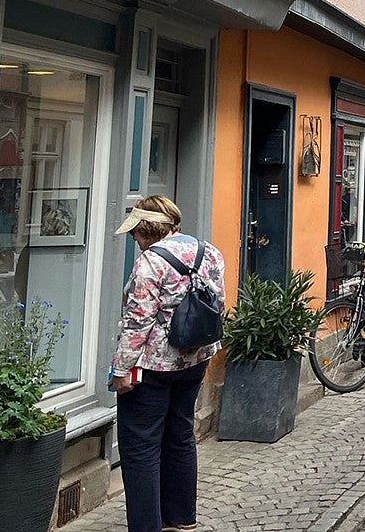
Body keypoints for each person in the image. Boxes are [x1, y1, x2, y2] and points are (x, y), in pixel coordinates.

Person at [110, 195, 227, 532]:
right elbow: (218, 304)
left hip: (153, 367)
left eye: (135, 233)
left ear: (147, 230)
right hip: (195, 360)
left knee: (141, 447)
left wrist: (121, 370)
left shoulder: (150, 262)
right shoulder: (209, 252)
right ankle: (181, 518)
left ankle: (146, 526)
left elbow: (138, 322)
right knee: (179, 435)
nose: (134, 239)